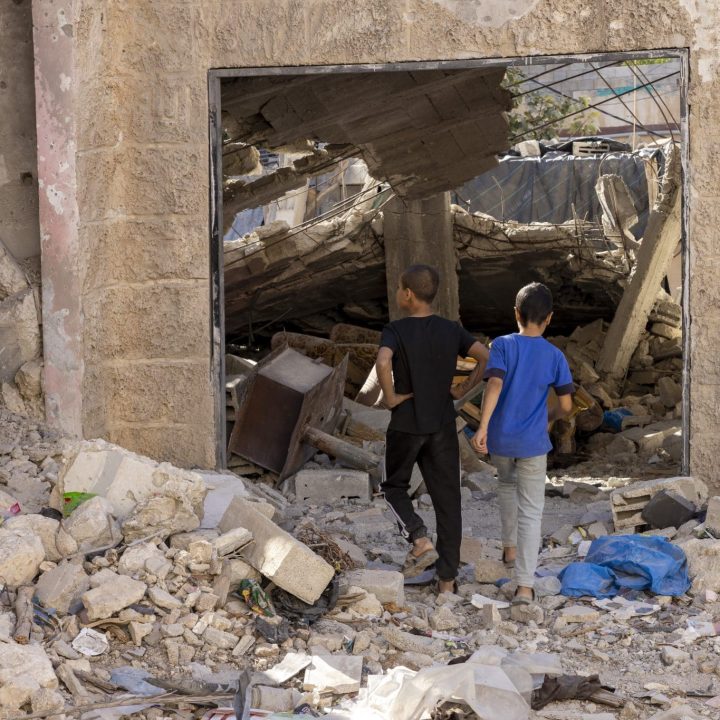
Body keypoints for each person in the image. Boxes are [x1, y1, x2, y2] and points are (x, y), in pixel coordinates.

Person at [376, 264, 488, 594]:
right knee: (448, 501)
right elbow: (484, 355)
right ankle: (447, 582)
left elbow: (383, 362)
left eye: (399, 288)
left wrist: (391, 396)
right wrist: (463, 388)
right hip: (441, 423)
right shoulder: (451, 329)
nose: (398, 293)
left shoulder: (395, 330)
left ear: (408, 294)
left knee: (393, 487)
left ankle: (419, 537)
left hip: (407, 423)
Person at [471, 282, 574, 605]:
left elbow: (495, 384)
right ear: (549, 319)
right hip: (533, 443)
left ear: (516, 314)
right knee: (532, 511)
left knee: (505, 486)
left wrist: (483, 427)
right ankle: (525, 586)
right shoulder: (555, 355)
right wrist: (550, 416)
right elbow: (568, 406)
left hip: (501, 440)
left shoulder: (501, 345)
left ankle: (509, 548)